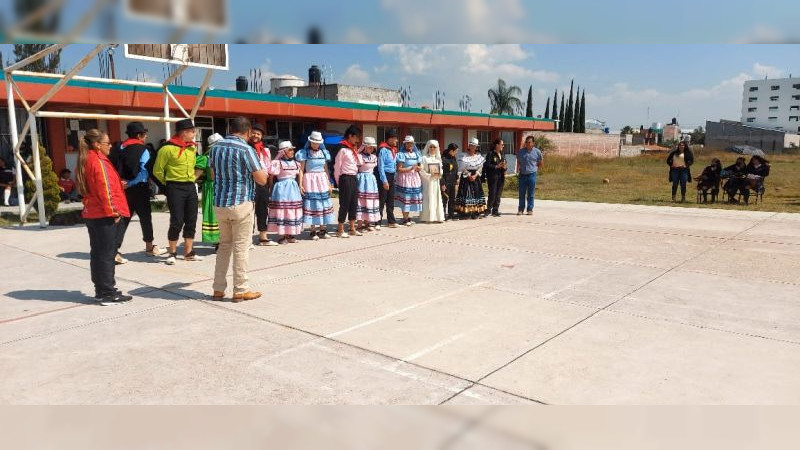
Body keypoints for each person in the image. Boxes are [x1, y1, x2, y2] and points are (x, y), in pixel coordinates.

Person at [209, 117, 267, 303]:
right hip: (240, 202)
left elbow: (212, 174)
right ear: (248, 132)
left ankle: (218, 289)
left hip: (220, 203)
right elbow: (261, 179)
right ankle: (241, 289)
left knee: (224, 247)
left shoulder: (215, 148)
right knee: (241, 248)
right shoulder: (246, 149)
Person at [74, 129, 132, 306]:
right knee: (107, 254)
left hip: (93, 212)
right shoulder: (97, 161)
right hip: (103, 213)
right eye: (107, 143)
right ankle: (107, 292)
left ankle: (102, 289)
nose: (110, 146)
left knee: (98, 253)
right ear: (97, 145)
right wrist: (114, 211)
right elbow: (104, 190)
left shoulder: (87, 159)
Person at [110, 121, 166, 264]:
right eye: (145, 135)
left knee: (123, 219)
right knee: (145, 218)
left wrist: (122, 183)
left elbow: (113, 167)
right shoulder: (144, 150)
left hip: (122, 188)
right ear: (139, 135)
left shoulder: (118, 148)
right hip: (138, 188)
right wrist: (132, 183)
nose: (146, 137)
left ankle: (114, 251)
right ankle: (149, 247)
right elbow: (144, 170)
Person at [153, 118, 202, 265]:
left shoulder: (192, 148)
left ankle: (188, 252)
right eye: (192, 132)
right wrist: (167, 185)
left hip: (190, 186)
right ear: (183, 132)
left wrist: (193, 178)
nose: (194, 134)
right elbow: (157, 171)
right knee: (176, 221)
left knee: (191, 219)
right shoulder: (166, 148)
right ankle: (172, 253)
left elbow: (195, 166)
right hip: (174, 187)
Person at [296, 131, 335, 240]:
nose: (315, 144)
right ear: (310, 141)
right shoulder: (304, 153)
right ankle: (313, 231)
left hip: (322, 179)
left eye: (317, 142)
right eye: (313, 142)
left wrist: (329, 183)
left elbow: (326, 169)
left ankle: (323, 230)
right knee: (312, 204)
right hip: (310, 180)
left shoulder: (324, 153)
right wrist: (300, 184)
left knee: (323, 203)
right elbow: (301, 170)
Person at [267, 141, 304, 244]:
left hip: (293, 189)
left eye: (292, 150)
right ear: (283, 152)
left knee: (292, 210)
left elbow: (300, 173)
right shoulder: (277, 163)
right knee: (282, 210)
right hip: (281, 189)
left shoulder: (296, 163)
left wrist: (300, 185)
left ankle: (290, 233)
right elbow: (271, 176)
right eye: (290, 150)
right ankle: (282, 235)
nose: (292, 152)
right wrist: (271, 187)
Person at [250, 123, 278, 246]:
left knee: (262, 209)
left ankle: (263, 236)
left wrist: (269, 182)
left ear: (262, 136)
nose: (256, 135)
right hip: (249, 181)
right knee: (249, 211)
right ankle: (247, 239)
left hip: (263, 182)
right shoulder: (246, 147)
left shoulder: (265, 149)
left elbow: (268, 166)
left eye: (258, 134)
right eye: (254, 133)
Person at [334, 125, 362, 238]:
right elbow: (337, 166)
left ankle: (352, 227)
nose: (358, 140)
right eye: (356, 138)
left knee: (354, 203)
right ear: (350, 136)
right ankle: (340, 228)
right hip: (345, 178)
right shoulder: (342, 149)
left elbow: (360, 163)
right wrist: (338, 181)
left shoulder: (353, 149)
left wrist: (356, 151)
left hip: (354, 177)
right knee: (345, 203)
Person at [196, 133, 222, 250]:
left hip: (224, 187)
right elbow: (196, 175)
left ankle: (224, 240)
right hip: (212, 188)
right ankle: (217, 241)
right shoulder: (205, 158)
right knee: (214, 214)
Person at [394, 135, 423, 226]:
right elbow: (399, 169)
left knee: (411, 198)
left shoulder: (416, 154)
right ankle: (405, 218)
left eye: (411, 143)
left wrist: (418, 168)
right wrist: (410, 168)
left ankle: (407, 217)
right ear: (405, 144)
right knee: (405, 198)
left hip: (414, 178)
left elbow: (420, 166)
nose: (410, 145)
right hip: (405, 178)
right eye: (408, 143)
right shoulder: (401, 154)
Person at [455, 138, 487, 219]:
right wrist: (469, 175)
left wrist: (475, 175)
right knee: (466, 194)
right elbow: (462, 168)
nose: (473, 148)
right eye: (472, 146)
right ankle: (465, 212)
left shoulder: (479, 157)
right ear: (469, 146)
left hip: (475, 177)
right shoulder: (463, 156)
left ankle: (475, 212)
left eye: (475, 146)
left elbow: (480, 168)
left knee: (476, 193)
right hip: (466, 177)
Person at [376, 129, 400, 229]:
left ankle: (391, 221)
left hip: (392, 176)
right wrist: (384, 180)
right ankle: (378, 221)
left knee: (390, 200)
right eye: (395, 139)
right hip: (384, 176)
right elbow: (380, 166)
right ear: (389, 139)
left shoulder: (393, 150)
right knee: (382, 199)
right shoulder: (383, 150)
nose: (396, 141)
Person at [356, 137, 380, 232]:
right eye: (369, 147)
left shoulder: (374, 157)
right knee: (361, 200)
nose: (371, 149)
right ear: (364, 147)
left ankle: (368, 223)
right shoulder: (359, 156)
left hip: (371, 179)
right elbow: (356, 168)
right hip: (362, 179)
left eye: (372, 147)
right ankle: (359, 224)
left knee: (370, 200)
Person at [419, 139, 445, 223]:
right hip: (427, 182)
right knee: (428, 198)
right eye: (431, 146)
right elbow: (421, 170)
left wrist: (439, 174)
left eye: (434, 147)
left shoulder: (438, 159)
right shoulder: (424, 158)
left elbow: (441, 170)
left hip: (436, 182)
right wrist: (429, 175)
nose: (432, 148)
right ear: (428, 147)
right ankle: (428, 217)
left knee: (436, 198)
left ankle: (438, 217)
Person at [516, 135, 543, 215]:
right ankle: (520, 209)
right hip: (523, 175)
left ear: (533, 143)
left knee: (531, 194)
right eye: (526, 142)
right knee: (521, 193)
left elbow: (540, 162)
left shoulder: (537, 152)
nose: (527, 144)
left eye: (529, 142)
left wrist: (534, 168)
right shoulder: (521, 151)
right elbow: (519, 161)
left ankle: (530, 209)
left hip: (532, 175)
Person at [484, 138, 508, 217]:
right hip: (493, 177)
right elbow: (487, 165)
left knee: (498, 194)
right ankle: (488, 209)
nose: (503, 146)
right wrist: (496, 166)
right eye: (502, 144)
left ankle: (495, 210)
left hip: (501, 177)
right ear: (497, 145)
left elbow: (505, 163)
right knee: (492, 193)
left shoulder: (502, 154)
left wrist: (504, 167)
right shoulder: (490, 154)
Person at [441, 143, 460, 221]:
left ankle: (451, 214)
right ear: (451, 151)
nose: (457, 152)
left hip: (453, 181)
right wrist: (442, 183)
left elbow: (455, 169)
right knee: (445, 199)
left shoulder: (453, 158)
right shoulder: (444, 159)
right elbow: (441, 172)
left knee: (452, 199)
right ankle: (443, 214)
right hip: (446, 182)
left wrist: (457, 179)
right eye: (456, 151)